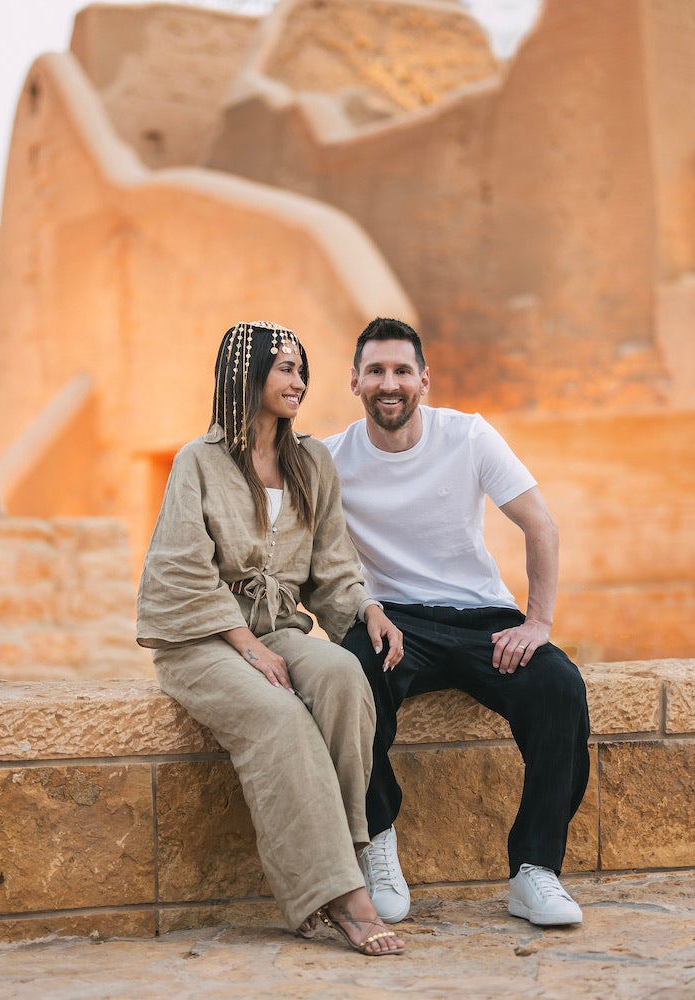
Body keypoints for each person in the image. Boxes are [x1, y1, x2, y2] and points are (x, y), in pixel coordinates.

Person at [136, 320, 408, 956]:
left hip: (281, 628)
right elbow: (179, 570)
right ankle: (341, 898)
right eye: (285, 368)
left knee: (345, 677)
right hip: (203, 641)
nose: (299, 382)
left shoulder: (311, 461)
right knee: (281, 717)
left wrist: (364, 609)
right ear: (248, 374)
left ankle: (345, 859)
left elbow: (333, 567)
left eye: (302, 370)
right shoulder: (197, 461)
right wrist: (249, 647)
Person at [325, 317, 591, 928]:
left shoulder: (467, 436)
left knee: (560, 688)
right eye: (375, 371)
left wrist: (539, 621)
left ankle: (536, 872)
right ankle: (379, 837)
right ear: (355, 382)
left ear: (423, 379)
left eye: (400, 371)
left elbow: (540, 526)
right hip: (392, 623)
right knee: (347, 676)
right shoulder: (332, 459)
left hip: (482, 618)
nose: (388, 384)